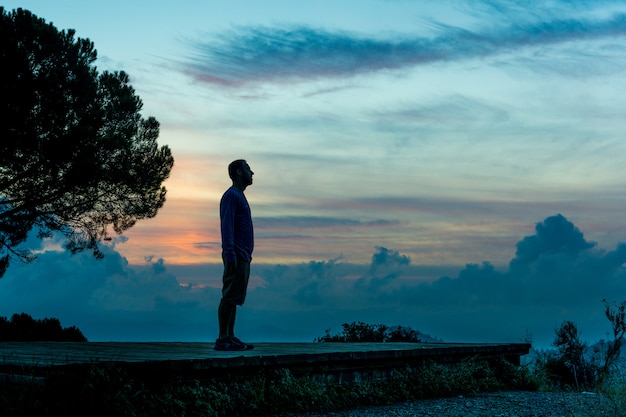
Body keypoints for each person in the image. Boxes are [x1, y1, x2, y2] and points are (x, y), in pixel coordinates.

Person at [214, 159, 255, 351]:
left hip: (243, 255)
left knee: (235, 297)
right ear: (239, 172)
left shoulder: (239, 196)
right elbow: (227, 226)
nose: (252, 173)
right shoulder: (231, 196)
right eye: (248, 169)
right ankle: (223, 338)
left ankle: (230, 335)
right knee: (229, 296)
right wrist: (229, 254)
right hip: (235, 254)